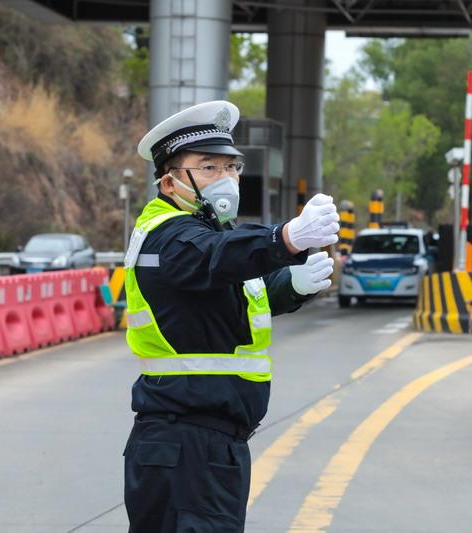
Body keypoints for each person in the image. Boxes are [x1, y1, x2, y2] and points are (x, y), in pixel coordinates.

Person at [122, 100, 339, 532]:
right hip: (187, 446)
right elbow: (214, 256)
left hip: (206, 446)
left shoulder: (205, 232)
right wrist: (284, 238)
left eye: (232, 167)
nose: (226, 179)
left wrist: (291, 285)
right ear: (169, 181)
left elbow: (231, 299)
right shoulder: (170, 235)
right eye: (209, 168)